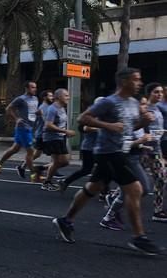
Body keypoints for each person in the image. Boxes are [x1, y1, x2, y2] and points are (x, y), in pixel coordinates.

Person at [52, 68, 160, 256]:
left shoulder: (133, 103)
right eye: (136, 80)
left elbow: (129, 127)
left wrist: (143, 121)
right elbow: (83, 118)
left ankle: (65, 220)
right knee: (135, 189)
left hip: (121, 151)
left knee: (92, 188)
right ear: (124, 81)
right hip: (108, 152)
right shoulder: (109, 102)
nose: (139, 83)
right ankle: (139, 237)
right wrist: (108, 125)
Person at [0, 81, 39, 178]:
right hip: (23, 128)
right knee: (30, 151)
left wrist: (38, 113)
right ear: (26, 88)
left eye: (35, 87)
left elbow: (33, 111)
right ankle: (33, 174)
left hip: (30, 128)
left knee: (14, 149)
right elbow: (8, 109)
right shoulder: (21, 99)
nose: (35, 89)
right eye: (32, 87)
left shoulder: (35, 98)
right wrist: (16, 119)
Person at [60, 98, 103, 191]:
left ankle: (66, 181)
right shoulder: (91, 115)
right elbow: (85, 128)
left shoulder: (103, 116)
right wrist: (100, 128)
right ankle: (99, 191)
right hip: (89, 148)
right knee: (90, 170)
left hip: (99, 148)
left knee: (101, 169)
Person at [40, 89, 75, 191]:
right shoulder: (52, 109)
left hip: (59, 137)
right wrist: (65, 132)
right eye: (66, 95)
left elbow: (60, 123)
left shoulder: (62, 108)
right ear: (59, 97)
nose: (68, 97)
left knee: (65, 162)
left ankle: (42, 169)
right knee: (58, 162)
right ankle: (46, 182)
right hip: (52, 138)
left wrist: (64, 133)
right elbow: (48, 125)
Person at [143, 83, 166, 222]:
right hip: (144, 150)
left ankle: (157, 211)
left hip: (156, 150)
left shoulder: (158, 109)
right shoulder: (144, 109)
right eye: (156, 92)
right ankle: (114, 197)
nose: (160, 94)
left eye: (161, 92)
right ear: (149, 93)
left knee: (161, 178)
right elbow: (138, 129)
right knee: (134, 181)